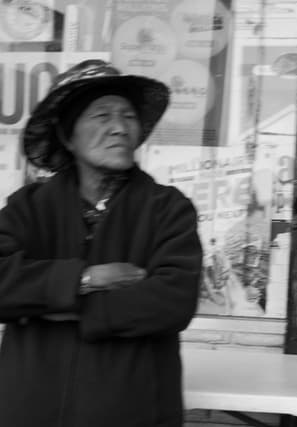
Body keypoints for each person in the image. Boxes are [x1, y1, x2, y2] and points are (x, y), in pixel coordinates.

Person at [0, 59, 203, 427]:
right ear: (67, 136)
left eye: (127, 116)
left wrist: (54, 304)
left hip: (135, 412)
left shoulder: (167, 209)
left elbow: (174, 301)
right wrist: (86, 280)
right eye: (101, 115)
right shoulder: (28, 207)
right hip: (32, 411)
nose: (119, 128)